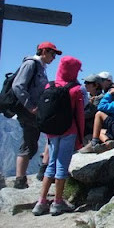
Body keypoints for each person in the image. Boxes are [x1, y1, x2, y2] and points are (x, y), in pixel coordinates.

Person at [32, 56, 84, 216]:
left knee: (51, 165)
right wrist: (80, 138)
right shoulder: (76, 89)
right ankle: (57, 202)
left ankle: (41, 202)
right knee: (62, 166)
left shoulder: (49, 85)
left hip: (51, 132)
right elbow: (80, 116)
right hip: (69, 131)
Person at [11, 41, 60, 189]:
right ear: (43, 51)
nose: (54, 57)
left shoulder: (40, 67)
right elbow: (18, 85)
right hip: (28, 112)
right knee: (28, 142)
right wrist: (31, 106)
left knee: (32, 142)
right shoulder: (31, 64)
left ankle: (25, 177)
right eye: (52, 54)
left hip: (34, 112)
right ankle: (20, 180)